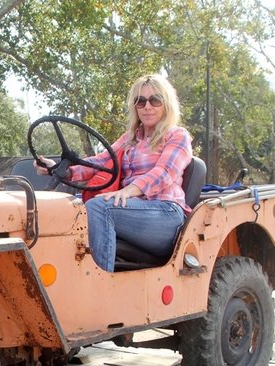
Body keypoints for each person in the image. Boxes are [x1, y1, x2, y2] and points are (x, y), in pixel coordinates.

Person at [36, 74, 192, 272]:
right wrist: (61, 169)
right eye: (140, 101)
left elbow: (164, 173)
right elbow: (101, 162)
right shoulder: (130, 138)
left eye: (155, 100)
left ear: (166, 104)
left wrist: (128, 191)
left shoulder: (177, 135)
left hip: (165, 213)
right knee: (70, 210)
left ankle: (99, 286)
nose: (147, 106)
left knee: (100, 208)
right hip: (130, 208)